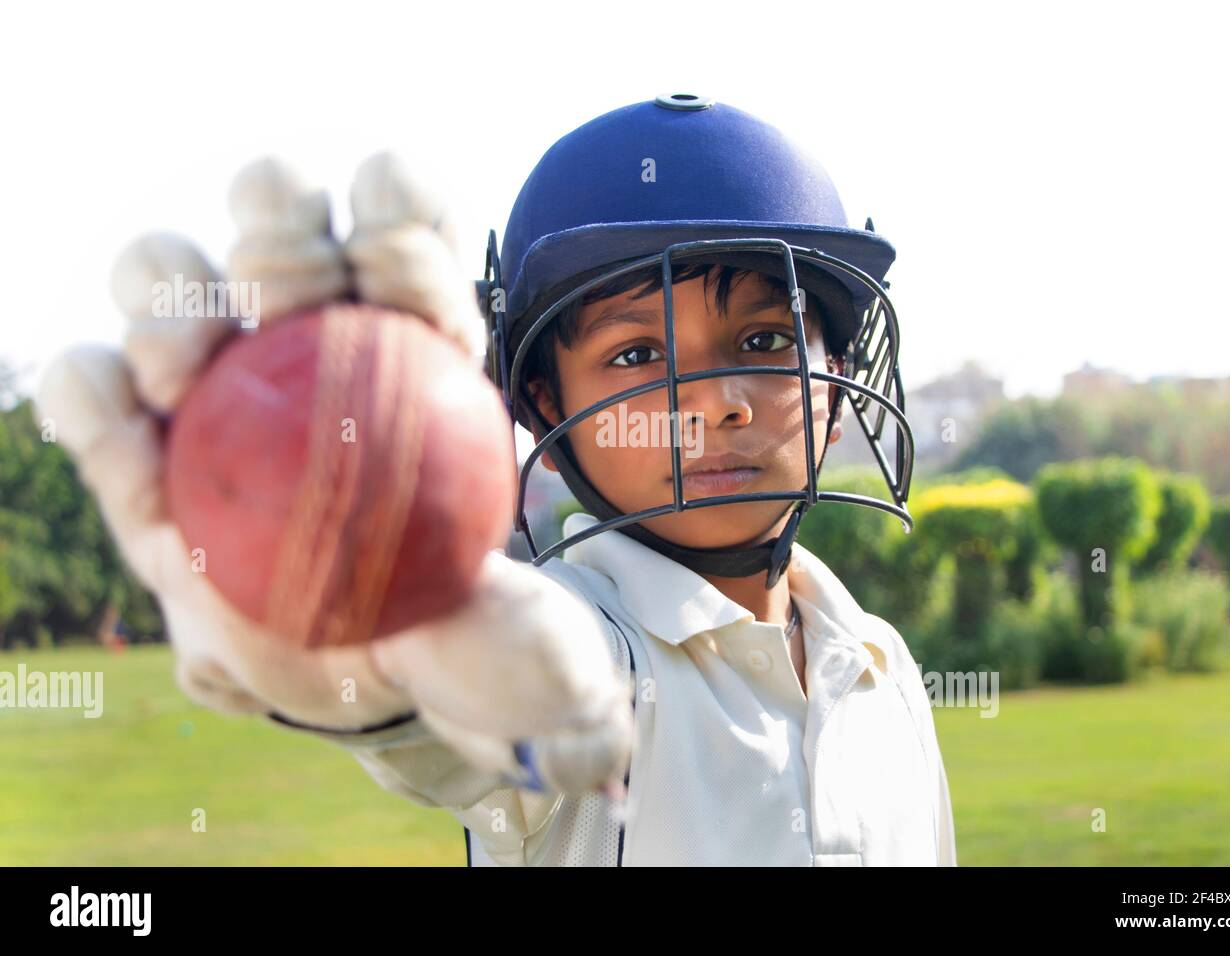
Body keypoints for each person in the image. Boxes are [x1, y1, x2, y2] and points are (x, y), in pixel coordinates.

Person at [38, 94, 955, 866]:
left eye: (764, 341)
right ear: (542, 410)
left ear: (841, 379)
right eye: (637, 355)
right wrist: (371, 632)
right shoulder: (577, 651)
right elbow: (474, 700)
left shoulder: (882, 664)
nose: (714, 405)